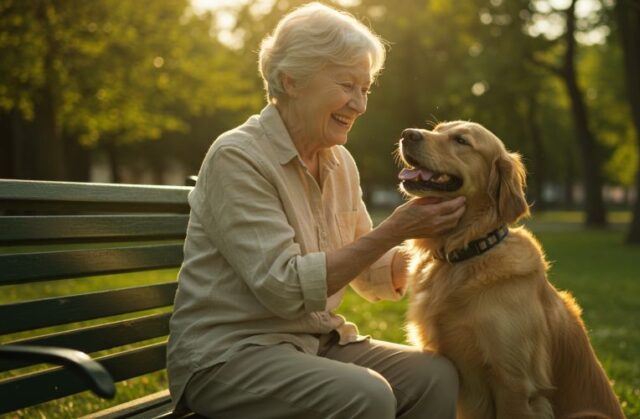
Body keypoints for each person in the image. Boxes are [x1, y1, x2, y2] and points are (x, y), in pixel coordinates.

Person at [167, 3, 466, 418]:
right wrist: (396, 229)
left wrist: (450, 251)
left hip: (315, 342)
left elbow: (369, 265)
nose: (359, 105)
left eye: (365, 89)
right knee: (367, 394)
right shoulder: (237, 157)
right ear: (292, 80)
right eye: (347, 85)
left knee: (437, 376)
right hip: (229, 356)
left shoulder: (339, 161)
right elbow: (285, 288)